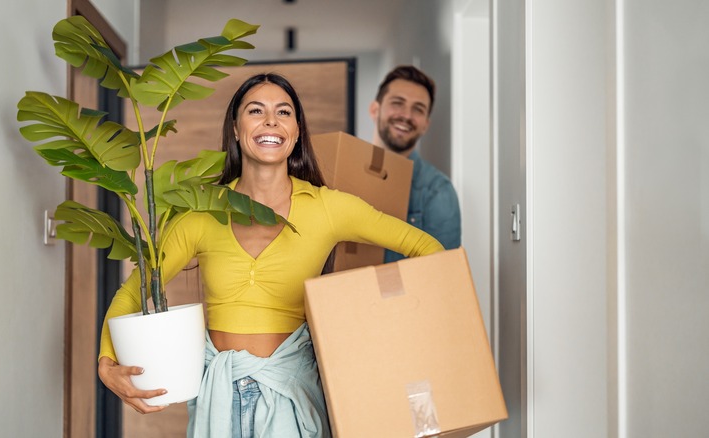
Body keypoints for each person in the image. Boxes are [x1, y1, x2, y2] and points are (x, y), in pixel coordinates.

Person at [97, 73, 444, 437]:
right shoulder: (201, 212)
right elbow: (135, 288)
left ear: (296, 132)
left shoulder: (328, 208)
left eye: (284, 112)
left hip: (293, 399)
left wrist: (397, 331)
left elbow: (427, 249)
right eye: (255, 110)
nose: (270, 121)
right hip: (219, 401)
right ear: (235, 128)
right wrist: (106, 363)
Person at [369, 65, 461, 263]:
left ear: (426, 124)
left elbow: (443, 273)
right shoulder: (341, 174)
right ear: (374, 109)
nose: (407, 115)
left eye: (418, 109)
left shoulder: (437, 191)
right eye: (397, 103)